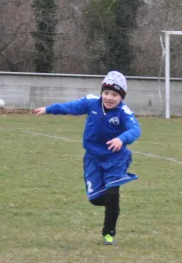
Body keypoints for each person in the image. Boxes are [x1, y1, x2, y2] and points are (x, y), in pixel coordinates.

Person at [33, 71, 141, 246]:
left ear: (122, 97)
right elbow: (70, 107)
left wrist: (122, 139)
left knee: (112, 193)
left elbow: (135, 130)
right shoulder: (91, 102)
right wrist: (48, 109)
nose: (109, 97)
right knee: (95, 199)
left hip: (115, 159)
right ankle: (112, 203)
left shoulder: (124, 112)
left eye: (115, 94)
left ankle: (108, 234)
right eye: (106, 93)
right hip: (92, 158)